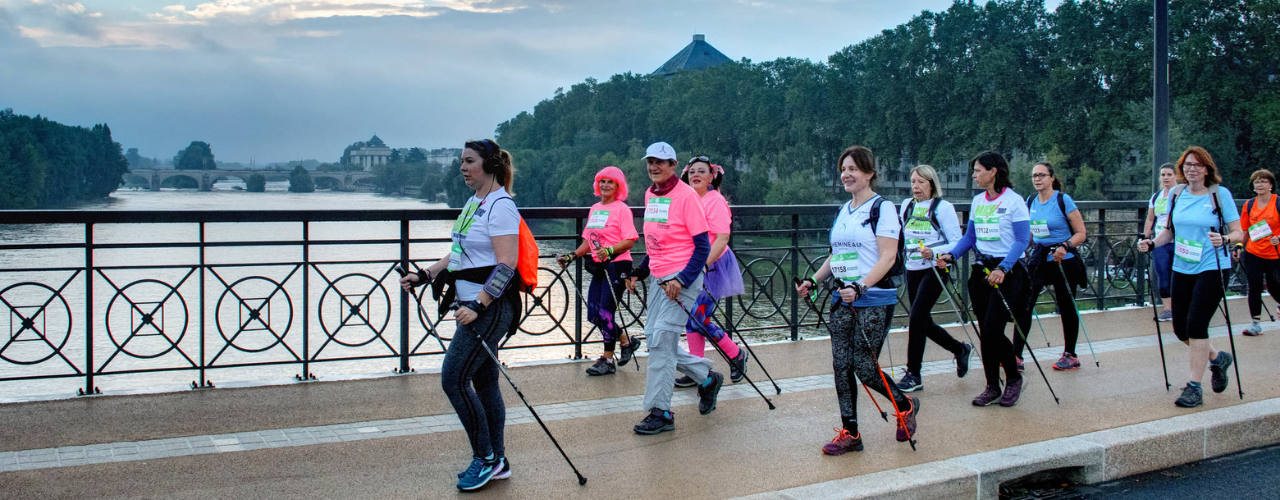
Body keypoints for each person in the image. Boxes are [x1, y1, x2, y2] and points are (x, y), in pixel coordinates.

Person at [399, 139, 518, 491]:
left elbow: (506, 265)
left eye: (469, 161)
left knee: (453, 379)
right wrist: (425, 275)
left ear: (489, 164)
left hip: (490, 308)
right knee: (483, 383)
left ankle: (485, 458)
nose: (463, 167)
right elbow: (458, 253)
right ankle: (498, 459)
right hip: (471, 307)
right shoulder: (473, 202)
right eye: (461, 162)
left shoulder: (501, 206)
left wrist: (478, 304)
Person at [795, 145, 918, 456]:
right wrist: (813, 279)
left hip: (874, 298)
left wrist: (861, 287)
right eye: (843, 169)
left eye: (852, 169)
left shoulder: (883, 208)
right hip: (842, 298)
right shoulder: (844, 210)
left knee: (864, 366)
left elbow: (888, 257)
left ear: (869, 173)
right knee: (841, 365)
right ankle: (850, 432)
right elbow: (838, 256)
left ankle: (904, 405)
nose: (845, 174)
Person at [624, 142, 725, 435]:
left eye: (661, 162)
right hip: (658, 279)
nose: (654, 167)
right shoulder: (650, 195)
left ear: (673, 166)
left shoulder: (687, 197)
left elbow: (703, 246)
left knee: (661, 343)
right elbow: (655, 244)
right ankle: (706, 378)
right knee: (658, 339)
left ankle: (661, 411)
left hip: (682, 280)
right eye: (650, 162)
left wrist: (681, 280)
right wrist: (638, 272)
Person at [1138, 146, 1241, 408]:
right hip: (1183, 267)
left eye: (1197, 165)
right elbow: (1169, 232)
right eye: (1187, 165)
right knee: (1180, 329)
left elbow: (1240, 233)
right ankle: (1218, 359)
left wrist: (1225, 239)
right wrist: (1152, 243)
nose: (1191, 169)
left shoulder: (1220, 195)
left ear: (1207, 169)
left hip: (1212, 267)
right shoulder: (1176, 193)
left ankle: (1194, 386)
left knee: (1197, 325)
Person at [937, 151, 1031, 408]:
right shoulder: (978, 201)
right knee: (984, 330)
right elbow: (970, 238)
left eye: (978, 170)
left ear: (993, 171)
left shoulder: (1014, 202)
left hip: (1007, 272)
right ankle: (992, 385)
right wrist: (951, 255)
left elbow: (1023, 240)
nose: (974, 175)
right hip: (983, 270)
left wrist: (1003, 268)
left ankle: (1013, 377)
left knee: (993, 328)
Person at [557, 166, 642, 375]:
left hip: (618, 264)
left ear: (618, 186)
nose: (605, 185)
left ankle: (607, 360)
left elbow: (630, 240)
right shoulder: (595, 208)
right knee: (594, 314)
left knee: (606, 312)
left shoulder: (622, 209)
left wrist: (610, 249)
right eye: (602, 181)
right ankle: (626, 341)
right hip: (599, 266)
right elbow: (589, 240)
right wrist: (572, 256)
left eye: (610, 182)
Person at [894, 164, 971, 393]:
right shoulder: (907, 206)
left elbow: (957, 241)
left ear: (932, 184)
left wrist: (934, 252)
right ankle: (960, 349)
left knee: (916, 316)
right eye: (913, 182)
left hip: (936, 268)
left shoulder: (943, 207)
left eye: (921, 182)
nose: (916, 187)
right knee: (923, 321)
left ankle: (913, 373)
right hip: (913, 268)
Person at [673, 156, 748, 387]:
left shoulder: (715, 201)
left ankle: (735, 354)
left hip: (713, 266)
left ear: (711, 176)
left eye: (701, 172)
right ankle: (698, 369)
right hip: (692, 265)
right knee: (692, 319)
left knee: (698, 317)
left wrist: (703, 265)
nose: (696, 175)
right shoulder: (688, 199)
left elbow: (722, 238)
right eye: (692, 171)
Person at [1014, 162, 1088, 371]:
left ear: (1051, 178)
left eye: (1041, 175)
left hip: (1063, 259)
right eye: (1034, 176)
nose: (1037, 179)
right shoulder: (1030, 201)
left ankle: (1070, 355)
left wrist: (1065, 246)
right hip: (1039, 259)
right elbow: (1029, 234)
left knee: (1066, 306)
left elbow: (1081, 233)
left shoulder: (1063, 200)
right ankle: (1016, 355)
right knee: (1025, 304)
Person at [1236, 169, 1280, 336]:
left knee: (1274, 287)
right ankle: (1255, 324)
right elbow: (1244, 230)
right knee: (1254, 286)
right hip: (1254, 252)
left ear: (1271, 185)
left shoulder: (1278, 203)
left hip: (1275, 253)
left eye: (1263, 181)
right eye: (1256, 182)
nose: (1259, 184)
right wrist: (1239, 246)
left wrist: (1279, 237)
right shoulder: (1249, 204)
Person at [1144, 164, 1179, 321]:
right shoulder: (1156, 196)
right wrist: (1145, 237)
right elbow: (1151, 218)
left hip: (1179, 241)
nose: (1166, 177)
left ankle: (1181, 307)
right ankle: (1167, 309)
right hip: (1160, 241)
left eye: (1169, 174)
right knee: (1162, 274)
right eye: (1163, 174)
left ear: (1176, 176)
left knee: (1179, 275)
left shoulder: (1182, 194)